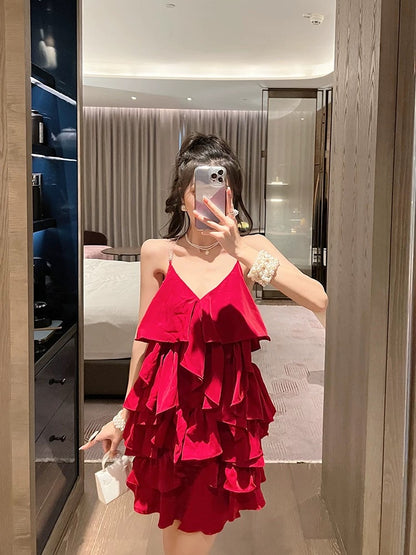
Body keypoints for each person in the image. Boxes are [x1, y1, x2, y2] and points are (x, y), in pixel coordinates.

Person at [79, 132, 329, 555]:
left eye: (221, 190)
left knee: (200, 523)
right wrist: (123, 418)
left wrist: (240, 250)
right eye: (200, 189)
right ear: (182, 198)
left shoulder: (252, 250)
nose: (210, 200)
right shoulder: (157, 253)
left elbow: (318, 299)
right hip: (167, 414)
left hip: (223, 416)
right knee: (175, 524)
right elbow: (144, 341)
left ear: (233, 199)